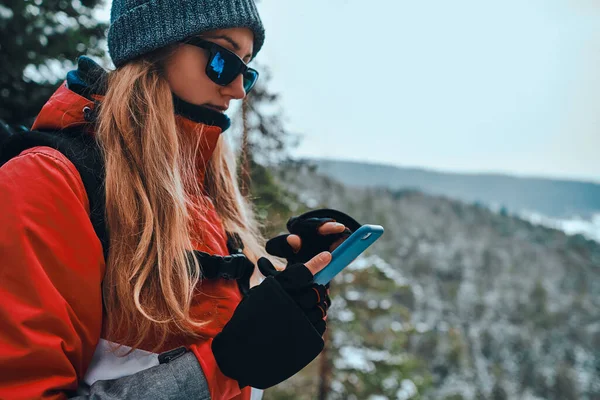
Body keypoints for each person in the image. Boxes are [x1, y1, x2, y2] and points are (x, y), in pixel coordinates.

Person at [0, 0, 360, 399]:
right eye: (224, 59)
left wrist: (284, 289)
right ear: (152, 47)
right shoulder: (48, 181)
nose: (239, 89)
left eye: (248, 70)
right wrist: (225, 365)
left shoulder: (201, 193)